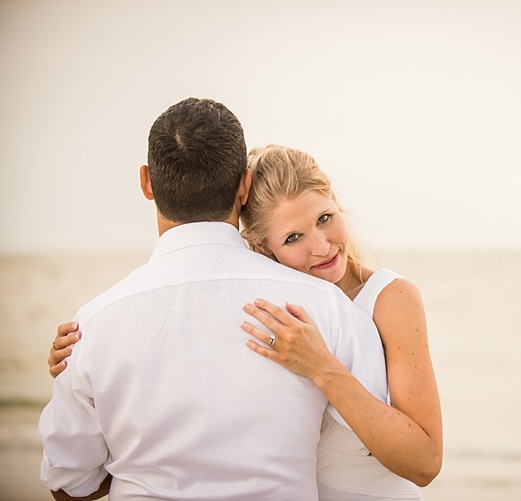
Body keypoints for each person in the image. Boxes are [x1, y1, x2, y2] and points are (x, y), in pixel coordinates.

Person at [39, 98, 389, 501]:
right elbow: (377, 453)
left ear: (147, 183)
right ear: (244, 184)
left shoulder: (91, 328)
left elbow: (70, 485)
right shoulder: (326, 306)